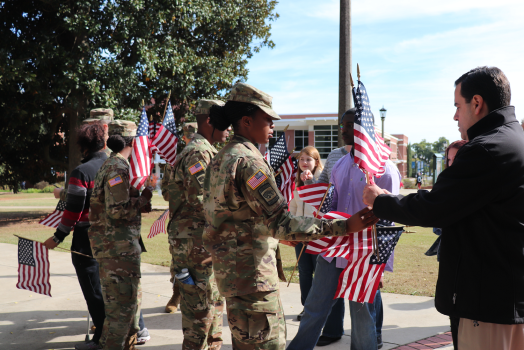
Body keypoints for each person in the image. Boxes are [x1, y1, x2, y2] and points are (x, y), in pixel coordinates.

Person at [202, 82, 378, 350]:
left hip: (232, 273)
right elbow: (281, 224)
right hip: (253, 277)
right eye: (268, 119)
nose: (273, 126)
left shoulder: (221, 157)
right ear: (247, 121)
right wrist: (344, 226)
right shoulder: (249, 162)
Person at [363, 66, 524, 350]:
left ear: (477, 103)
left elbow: (435, 207)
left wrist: (380, 200)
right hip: (506, 293)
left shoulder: (486, 149)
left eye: (457, 106)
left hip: (488, 302)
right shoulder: (514, 140)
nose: (455, 116)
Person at [287, 109, 400, 350]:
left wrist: (381, 263)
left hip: (365, 255)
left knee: (361, 320)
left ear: (364, 128)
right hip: (333, 251)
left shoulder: (385, 169)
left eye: (349, 125)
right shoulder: (338, 165)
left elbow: (390, 220)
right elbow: (331, 205)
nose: (343, 130)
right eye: (342, 125)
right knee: (314, 309)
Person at [166, 99, 227, 350]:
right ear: (209, 121)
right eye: (225, 122)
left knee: (212, 310)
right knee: (199, 318)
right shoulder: (198, 153)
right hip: (194, 244)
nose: (229, 128)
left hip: (203, 242)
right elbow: (206, 198)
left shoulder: (207, 150)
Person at [43, 122, 108, 350]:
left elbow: (73, 210)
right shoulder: (116, 165)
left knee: (94, 291)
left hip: (87, 238)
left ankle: (102, 338)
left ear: (83, 146)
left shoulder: (82, 172)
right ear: (104, 142)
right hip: (114, 237)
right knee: (112, 288)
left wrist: (57, 238)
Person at [88, 120, 153, 350]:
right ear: (133, 141)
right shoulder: (118, 167)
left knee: (119, 313)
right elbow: (117, 211)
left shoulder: (111, 164)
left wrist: (136, 198)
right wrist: (144, 197)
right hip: (119, 252)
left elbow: (113, 203)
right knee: (122, 317)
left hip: (114, 250)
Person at [282, 146, 324, 321]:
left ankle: (318, 308)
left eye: (309, 159)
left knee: (319, 273)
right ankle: (306, 307)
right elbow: (293, 208)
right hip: (300, 235)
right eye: (302, 159)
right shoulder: (297, 181)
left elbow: (321, 208)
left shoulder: (321, 180)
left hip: (316, 235)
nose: (305, 163)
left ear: (316, 162)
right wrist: (294, 230)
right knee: (304, 272)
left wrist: (311, 182)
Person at [54, 108, 114, 201]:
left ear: (105, 127)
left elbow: (93, 193)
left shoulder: (106, 154)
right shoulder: (118, 150)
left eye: (92, 126)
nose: (87, 130)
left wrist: (62, 193)